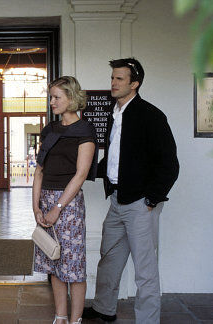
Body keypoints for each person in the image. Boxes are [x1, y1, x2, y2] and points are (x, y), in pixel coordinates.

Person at [82, 58, 179, 323]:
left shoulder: (151, 115)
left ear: (134, 83)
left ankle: (147, 320)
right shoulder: (115, 115)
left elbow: (169, 163)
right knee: (109, 259)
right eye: (112, 78)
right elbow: (114, 160)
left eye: (119, 79)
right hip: (116, 200)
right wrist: (81, 172)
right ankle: (104, 308)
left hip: (141, 204)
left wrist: (152, 198)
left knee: (145, 270)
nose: (113, 83)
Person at [33, 76, 98, 324]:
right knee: (54, 262)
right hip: (46, 201)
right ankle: (60, 317)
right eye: (51, 97)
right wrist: (36, 207)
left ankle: (75, 320)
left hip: (68, 204)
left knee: (74, 266)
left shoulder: (85, 130)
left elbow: (81, 174)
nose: (52, 102)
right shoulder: (49, 130)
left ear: (71, 98)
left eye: (56, 97)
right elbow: (39, 170)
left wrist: (58, 207)